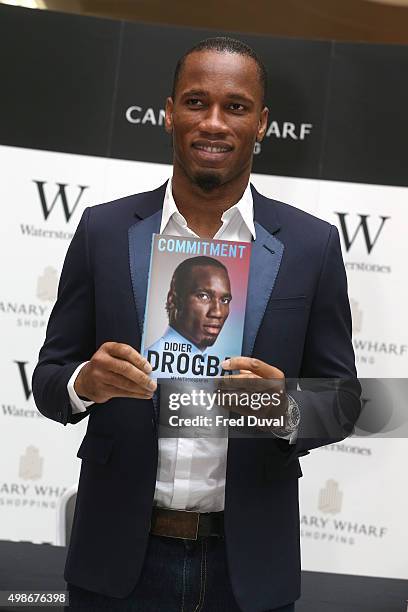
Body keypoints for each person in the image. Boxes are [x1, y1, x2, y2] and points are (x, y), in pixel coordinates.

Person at [32, 37, 361, 611]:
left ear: (261, 124)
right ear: (168, 113)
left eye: (234, 107)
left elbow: (345, 400)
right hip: (116, 562)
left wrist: (284, 406)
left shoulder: (311, 246)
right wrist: (86, 382)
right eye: (195, 102)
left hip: (248, 568)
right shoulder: (104, 232)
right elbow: (49, 379)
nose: (213, 122)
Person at [145, 255, 232, 378]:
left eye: (225, 300)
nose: (217, 313)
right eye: (203, 296)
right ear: (173, 300)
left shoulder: (216, 369)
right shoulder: (146, 368)